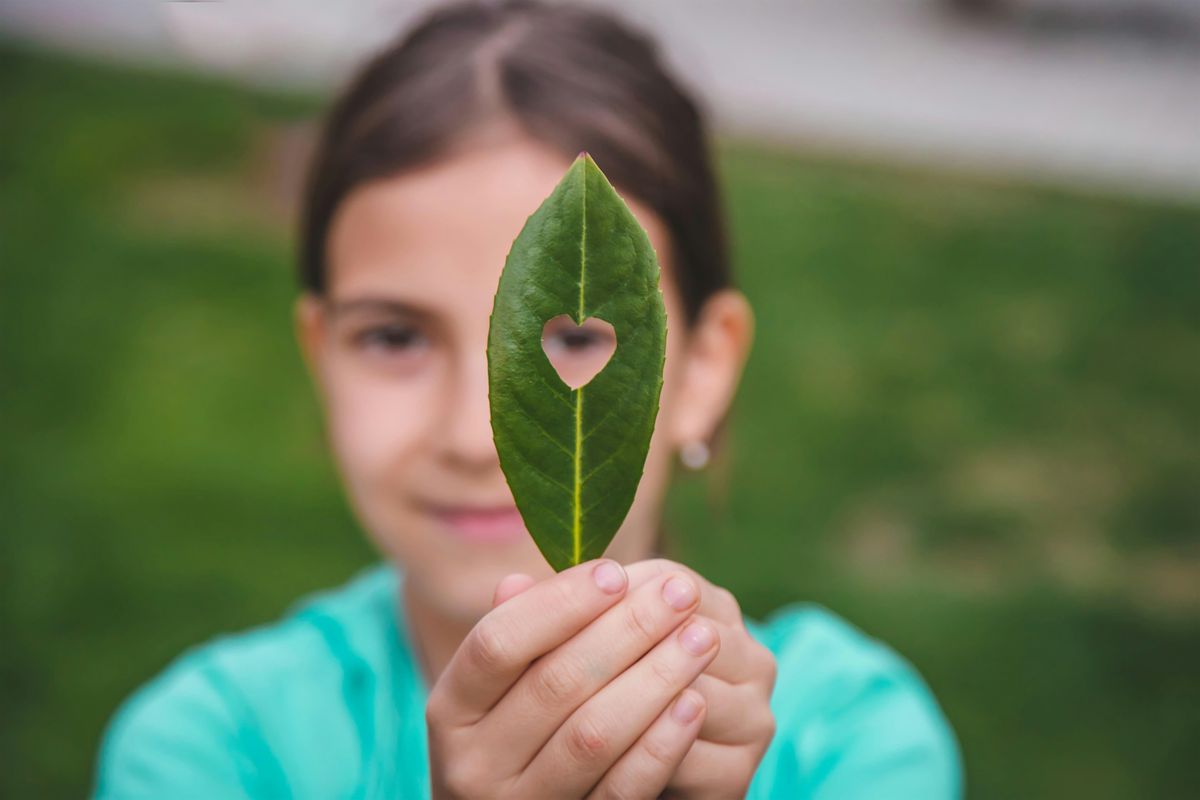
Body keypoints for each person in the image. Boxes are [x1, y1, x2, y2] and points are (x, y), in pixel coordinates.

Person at [92, 2, 961, 797]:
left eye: (574, 339)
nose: (478, 435)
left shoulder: (856, 741)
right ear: (320, 356)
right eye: (394, 337)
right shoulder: (208, 752)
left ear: (701, 368)